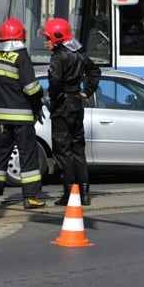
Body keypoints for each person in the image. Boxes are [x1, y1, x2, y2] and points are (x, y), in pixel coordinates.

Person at [0, 18, 46, 210]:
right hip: (21, 116)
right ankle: (31, 197)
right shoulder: (20, 55)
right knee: (28, 155)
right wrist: (40, 97)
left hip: (1, 117)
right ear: (21, 36)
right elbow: (30, 88)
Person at [40, 18, 100, 207]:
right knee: (78, 149)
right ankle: (84, 192)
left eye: (48, 38)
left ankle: (68, 192)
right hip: (76, 104)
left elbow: (55, 82)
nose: (45, 42)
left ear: (58, 38)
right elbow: (95, 72)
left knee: (62, 151)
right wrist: (86, 92)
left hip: (62, 107)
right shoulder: (79, 52)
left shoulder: (58, 56)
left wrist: (53, 98)